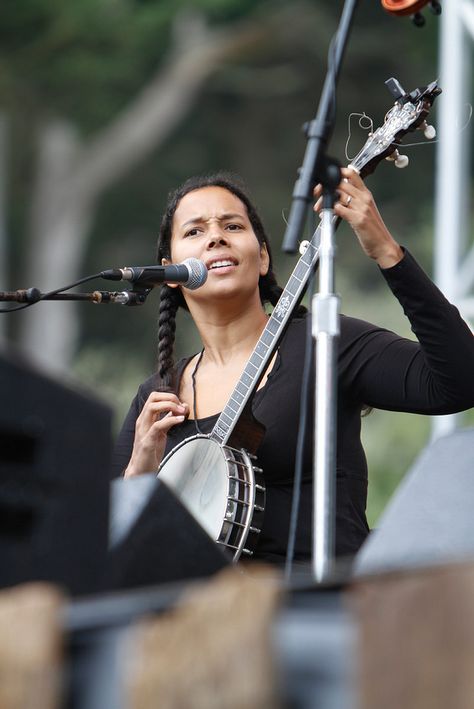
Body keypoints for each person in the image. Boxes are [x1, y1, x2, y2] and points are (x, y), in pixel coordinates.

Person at [111, 170, 474, 566]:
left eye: (232, 225)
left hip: (322, 609)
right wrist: (138, 475)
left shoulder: (325, 341)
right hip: (206, 621)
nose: (215, 237)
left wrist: (386, 252)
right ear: (170, 271)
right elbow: (106, 552)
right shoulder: (158, 399)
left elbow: (460, 382)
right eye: (194, 232)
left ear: (263, 256)